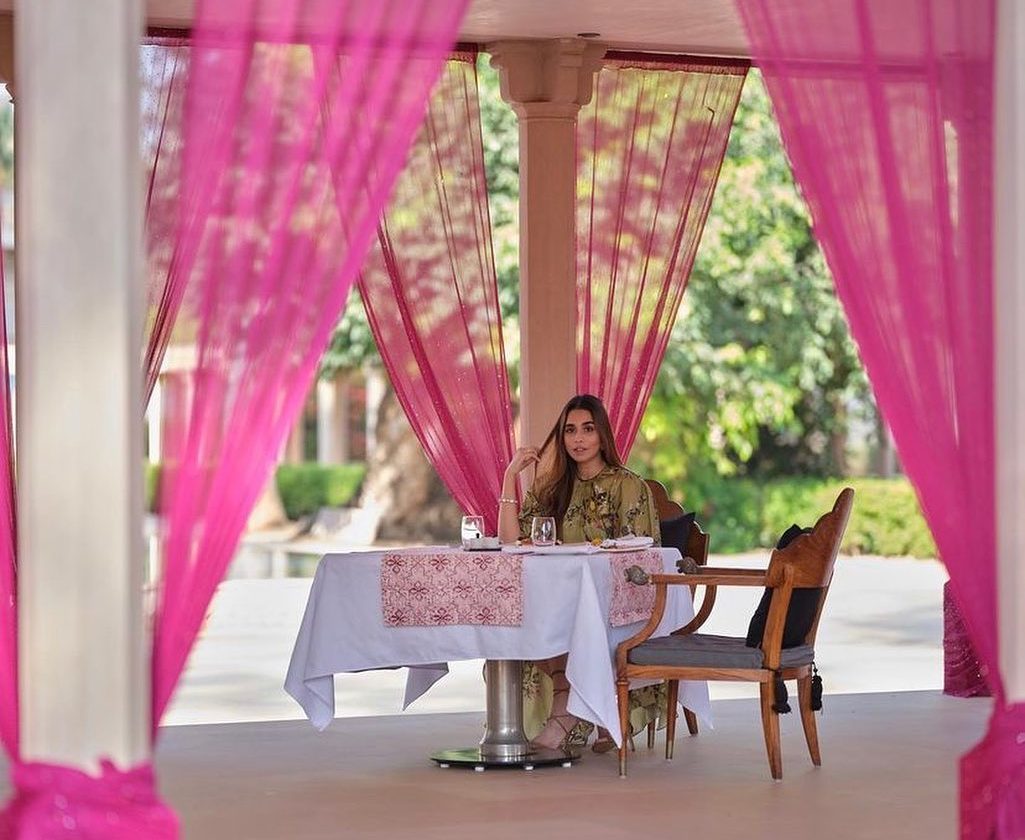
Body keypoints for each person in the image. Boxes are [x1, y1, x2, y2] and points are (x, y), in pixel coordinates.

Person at [497, 394, 662, 752]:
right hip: (562, 597)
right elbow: (510, 541)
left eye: (588, 429)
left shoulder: (627, 484)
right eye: (570, 431)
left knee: (562, 618)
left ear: (602, 434)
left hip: (614, 602)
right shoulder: (552, 486)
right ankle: (577, 709)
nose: (578, 439)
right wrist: (510, 476)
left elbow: (639, 555)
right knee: (526, 616)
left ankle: (566, 714)